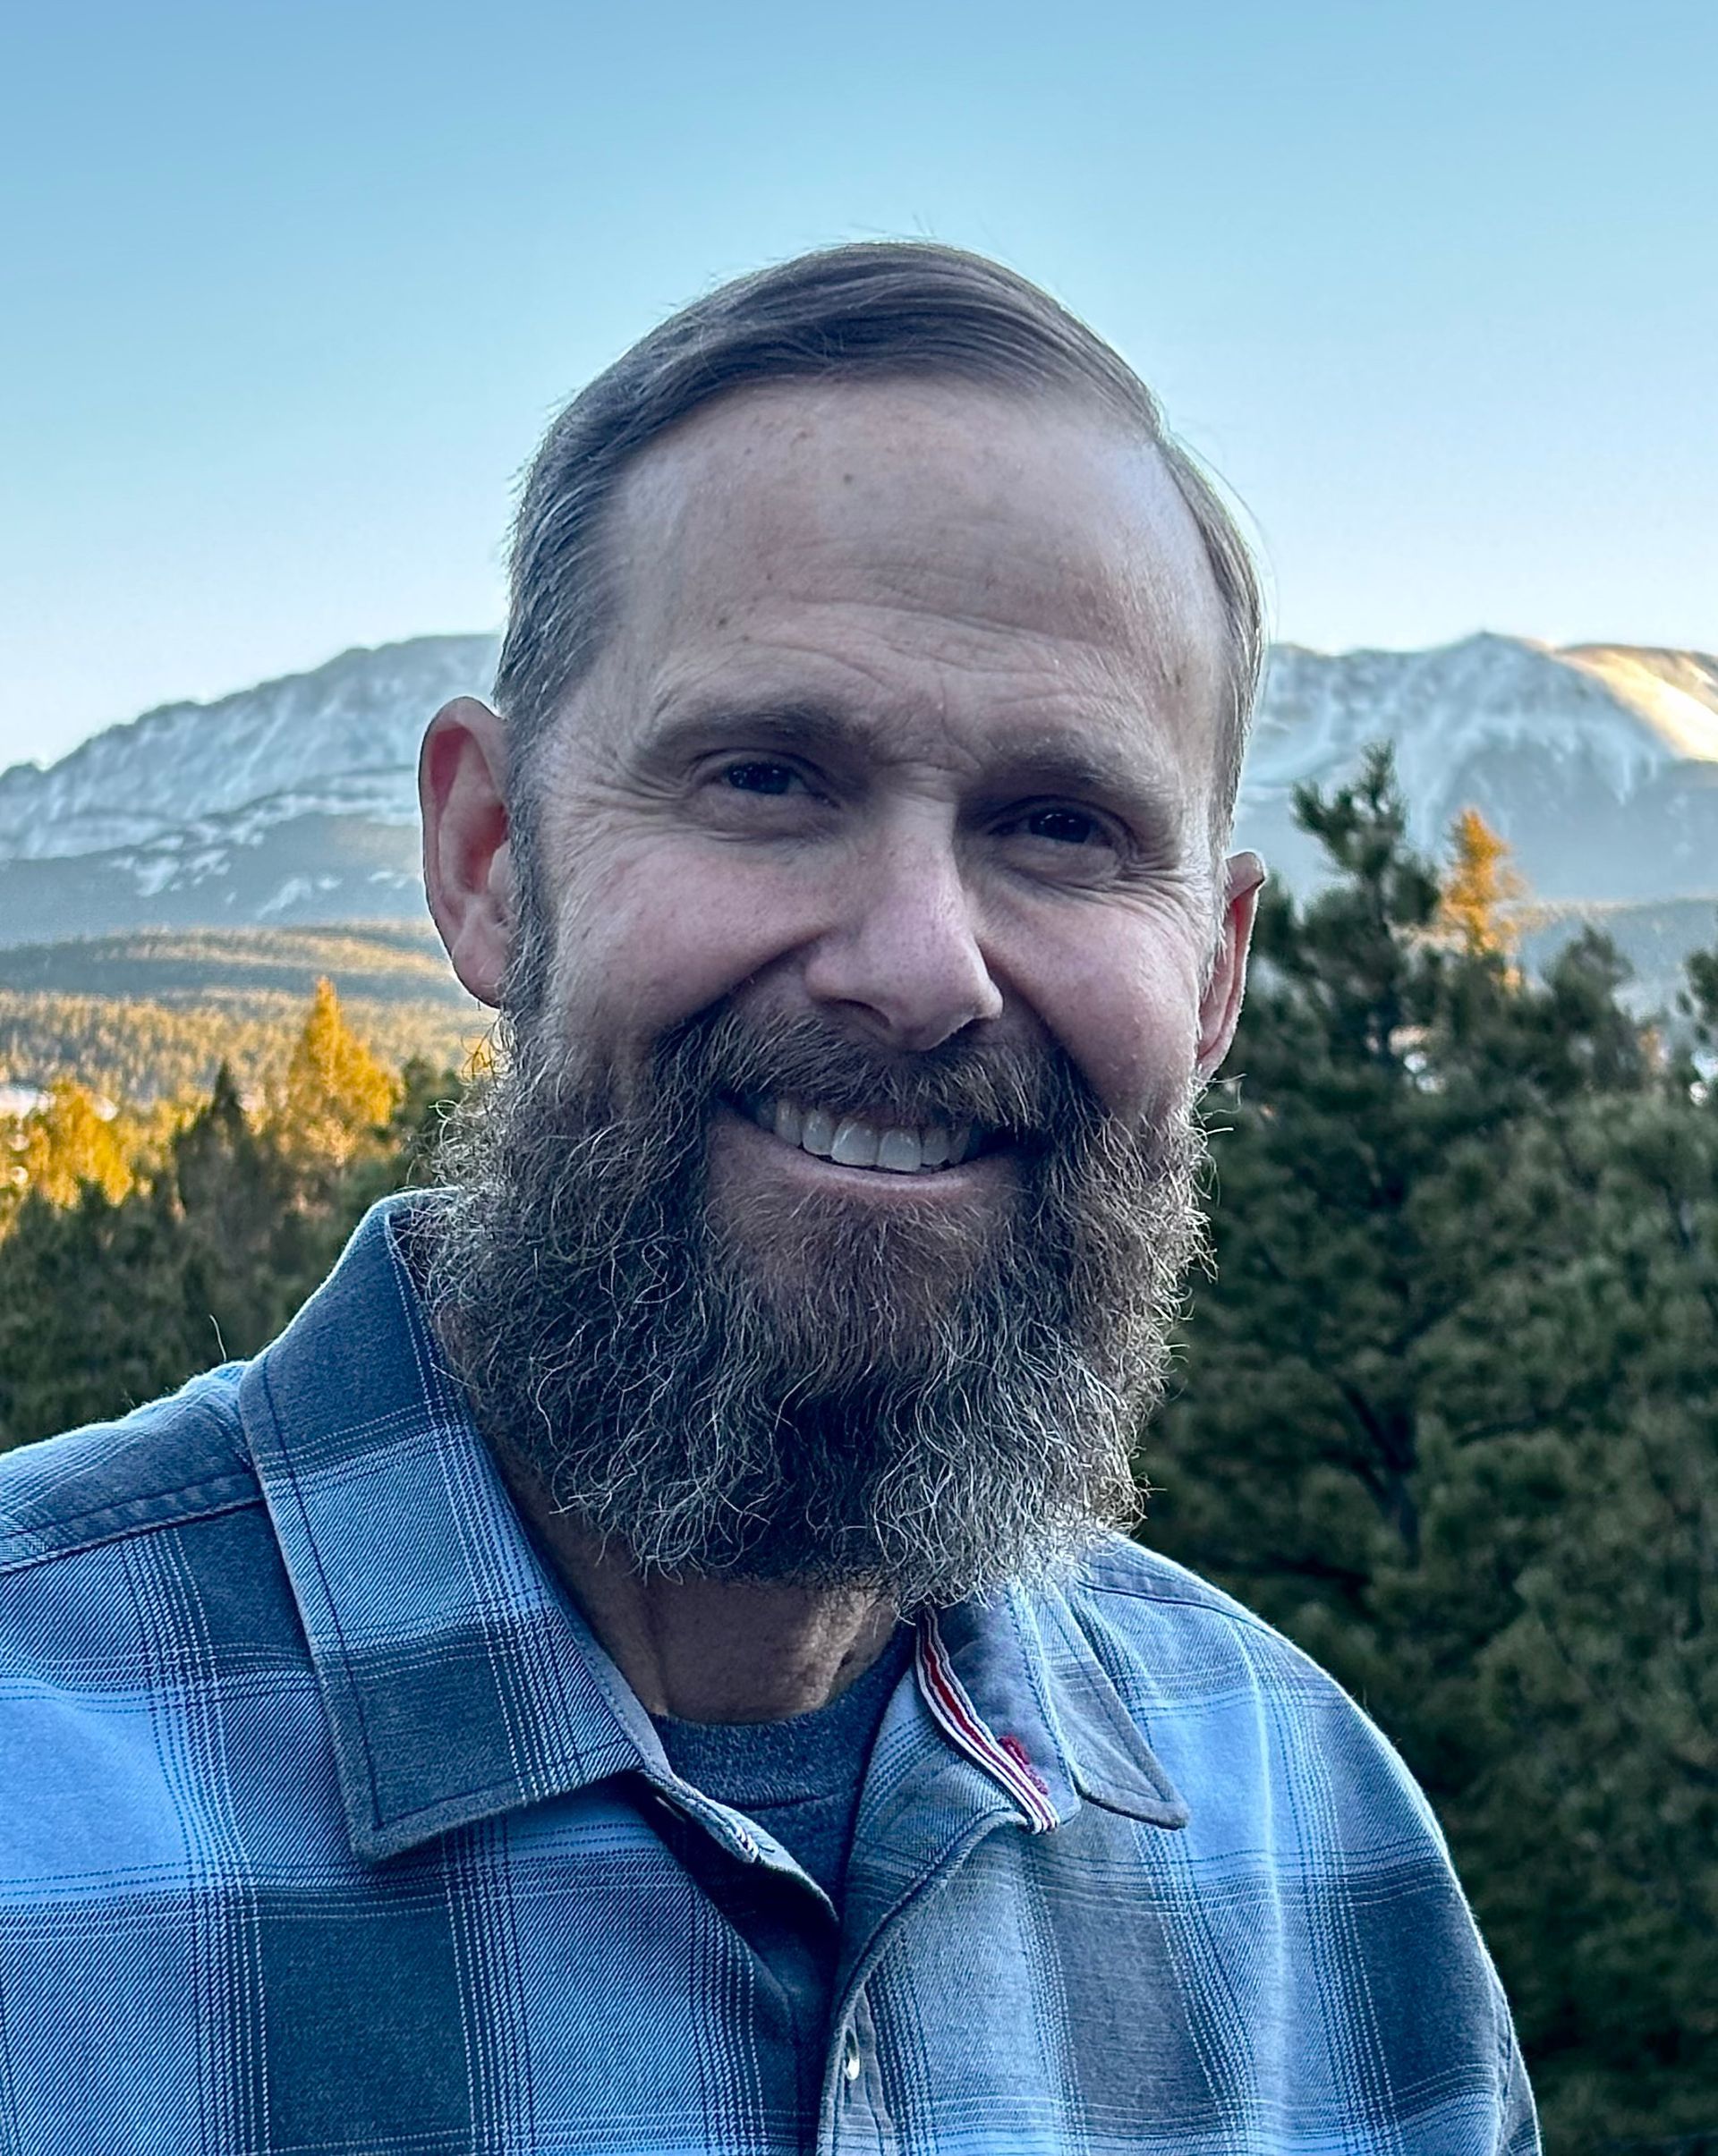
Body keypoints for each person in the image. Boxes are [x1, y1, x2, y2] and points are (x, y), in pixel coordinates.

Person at [0, 243, 1537, 2154]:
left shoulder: (1315, 1853)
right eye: (767, 777)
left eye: (1063, 825)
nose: (921, 965)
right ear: (490, 862)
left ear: (1213, 979)